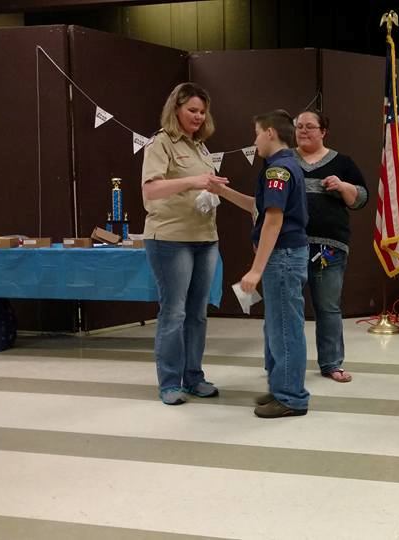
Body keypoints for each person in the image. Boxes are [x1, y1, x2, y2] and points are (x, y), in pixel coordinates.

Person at [210, 110, 310, 418]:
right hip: (286, 256)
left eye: (256, 133)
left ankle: (291, 397)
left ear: (269, 133)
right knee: (277, 327)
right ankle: (282, 386)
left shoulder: (278, 170)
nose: (254, 141)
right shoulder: (285, 166)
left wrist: (256, 268)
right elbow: (259, 207)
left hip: (283, 257)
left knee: (284, 328)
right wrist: (222, 191)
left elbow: (273, 221)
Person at [141, 82, 229, 406]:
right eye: (192, 110)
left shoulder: (200, 147)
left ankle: (194, 377)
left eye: (202, 111)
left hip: (205, 238)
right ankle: (169, 383)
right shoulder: (160, 143)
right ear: (175, 109)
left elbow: (199, 186)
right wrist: (194, 181)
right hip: (170, 239)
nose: (198, 116)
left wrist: (211, 192)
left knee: (198, 314)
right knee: (174, 313)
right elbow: (151, 189)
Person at [293, 110, 369, 383]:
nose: (303, 131)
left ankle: (332, 363)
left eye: (309, 126)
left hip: (330, 249)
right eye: (299, 126)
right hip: (289, 247)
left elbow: (360, 199)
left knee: (328, 307)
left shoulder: (343, 163)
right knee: (286, 308)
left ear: (323, 131)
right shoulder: (283, 161)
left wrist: (343, 186)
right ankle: (284, 364)